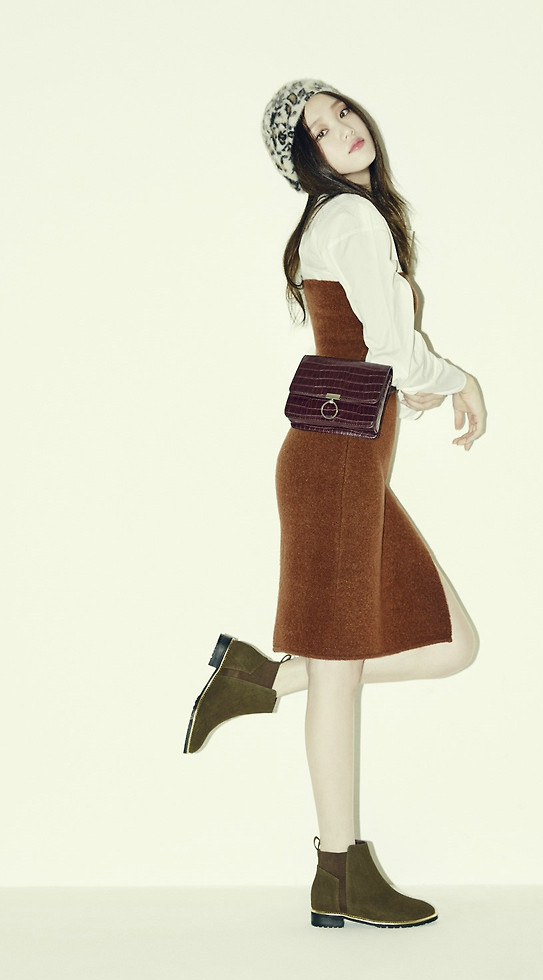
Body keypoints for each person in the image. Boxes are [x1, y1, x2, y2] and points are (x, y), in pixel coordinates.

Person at [183, 80, 487, 929]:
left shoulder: (342, 219)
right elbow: (391, 348)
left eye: (342, 111)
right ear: (305, 161)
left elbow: (373, 353)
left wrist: (413, 381)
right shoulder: (352, 218)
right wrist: (457, 379)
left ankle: (265, 679)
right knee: (343, 675)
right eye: (320, 129)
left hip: (344, 465)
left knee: (452, 644)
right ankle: (339, 872)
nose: (343, 128)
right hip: (339, 468)